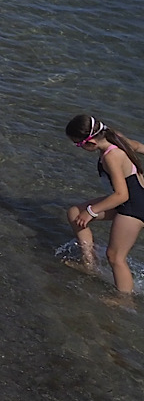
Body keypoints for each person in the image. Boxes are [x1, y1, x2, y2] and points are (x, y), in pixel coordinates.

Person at [63, 115, 144, 295]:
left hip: (134, 207)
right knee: (75, 213)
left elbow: (121, 195)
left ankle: (124, 299)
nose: (79, 148)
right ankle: (90, 264)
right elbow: (138, 146)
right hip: (131, 200)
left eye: (78, 144)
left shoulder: (111, 157)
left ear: (90, 142)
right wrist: (85, 213)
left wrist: (91, 212)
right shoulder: (114, 137)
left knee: (115, 257)